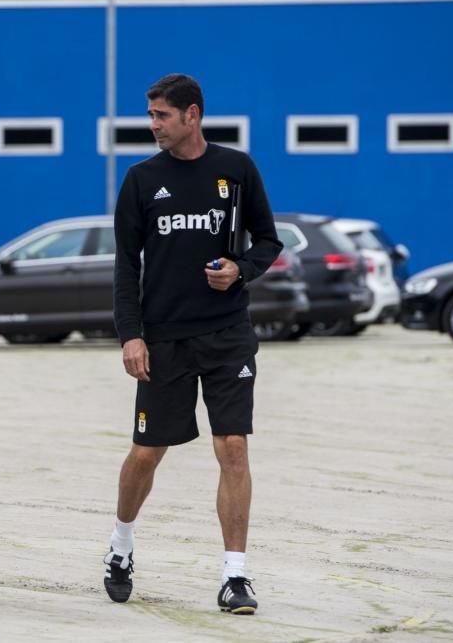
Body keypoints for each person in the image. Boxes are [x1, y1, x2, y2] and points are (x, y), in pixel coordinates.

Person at [102, 74, 282, 614]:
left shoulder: (237, 169)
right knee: (147, 452)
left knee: (233, 447)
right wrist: (131, 335)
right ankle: (120, 547)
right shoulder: (140, 180)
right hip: (163, 341)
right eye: (151, 115)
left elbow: (268, 239)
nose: (153, 124)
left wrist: (240, 269)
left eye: (161, 115)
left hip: (228, 335)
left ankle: (235, 577)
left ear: (192, 115)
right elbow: (124, 268)